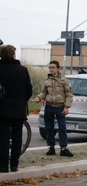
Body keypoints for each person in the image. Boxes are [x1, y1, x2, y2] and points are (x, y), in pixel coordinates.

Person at [0, 44, 32, 173]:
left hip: (2, 108)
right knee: (17, 137)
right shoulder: (22, 70)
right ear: (13, 55)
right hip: (18, 107)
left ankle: (2, 165)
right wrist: (22, 100)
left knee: (3, 137)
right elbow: (29, 90)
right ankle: (14, 164)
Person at [34, 60, 74, 157]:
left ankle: (63, 148)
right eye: (50, 67)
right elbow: (44, 92)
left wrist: (66, 107)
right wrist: (39, 97)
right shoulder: (47, 80)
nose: (51, 69)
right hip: (49, 106)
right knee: (49, 128)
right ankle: (51, 147)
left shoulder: (64, 80)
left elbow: (69, 94)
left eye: (53, 67)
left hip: (60, 106)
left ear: (58, 69)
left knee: (62, 128)